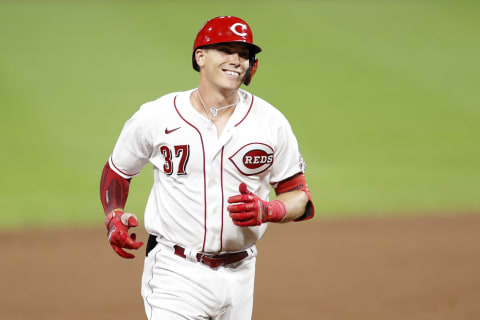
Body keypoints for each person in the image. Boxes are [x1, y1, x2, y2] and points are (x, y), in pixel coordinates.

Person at [99, 15, 314, 320]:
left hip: (241, 276)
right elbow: (117, 171)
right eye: (226, 50)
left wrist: (270, 210)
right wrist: (114, 216)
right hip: (175, 272)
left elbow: (298, 194)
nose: (236, 60)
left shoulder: (271, 122)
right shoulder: (157, 116)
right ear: (200, 56)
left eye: (243, 54)